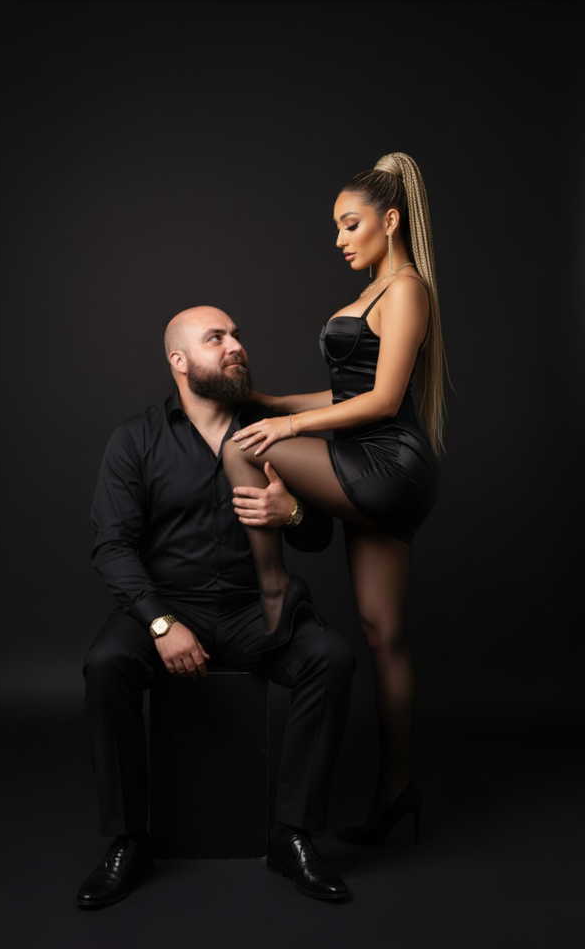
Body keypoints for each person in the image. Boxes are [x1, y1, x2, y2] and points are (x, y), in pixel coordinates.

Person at [76, 305, 355, 909]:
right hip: (169, 606)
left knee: (331, 658)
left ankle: (291, 835)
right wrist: (160, 622)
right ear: (179, 361)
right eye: (216, 338)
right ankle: (129, 840)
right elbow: (112, 546)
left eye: (236, 336)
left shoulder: (276, 432)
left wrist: (292, 513)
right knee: (106, 665)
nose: (235, 346)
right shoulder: (136, 438)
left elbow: (317, 537)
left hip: (257, 610)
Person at [223, 152, 444, 845]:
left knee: (240, 447)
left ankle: (271, 600)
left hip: (388, 462)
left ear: (391, 220)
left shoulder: (406, 290)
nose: (340, 239)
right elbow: (346, 393)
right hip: (361, 455)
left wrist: (286, 428)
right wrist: (277, 402)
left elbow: (383, 401)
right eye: (337, 227)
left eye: (351, 224)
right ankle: (396, 788)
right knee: (383, 633)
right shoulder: (376, 290)